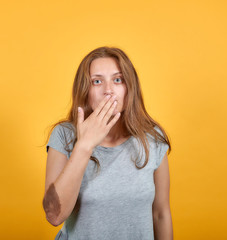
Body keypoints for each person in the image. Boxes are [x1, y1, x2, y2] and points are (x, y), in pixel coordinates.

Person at [42, 46, 173, 240]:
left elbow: (160, 214)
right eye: (97, 81)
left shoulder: (152, 137)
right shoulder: (64, 135)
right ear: (85, 90)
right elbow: (54, 215)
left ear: (130, 87)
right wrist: (84, 145)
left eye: (117, 80)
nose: (108, 90)